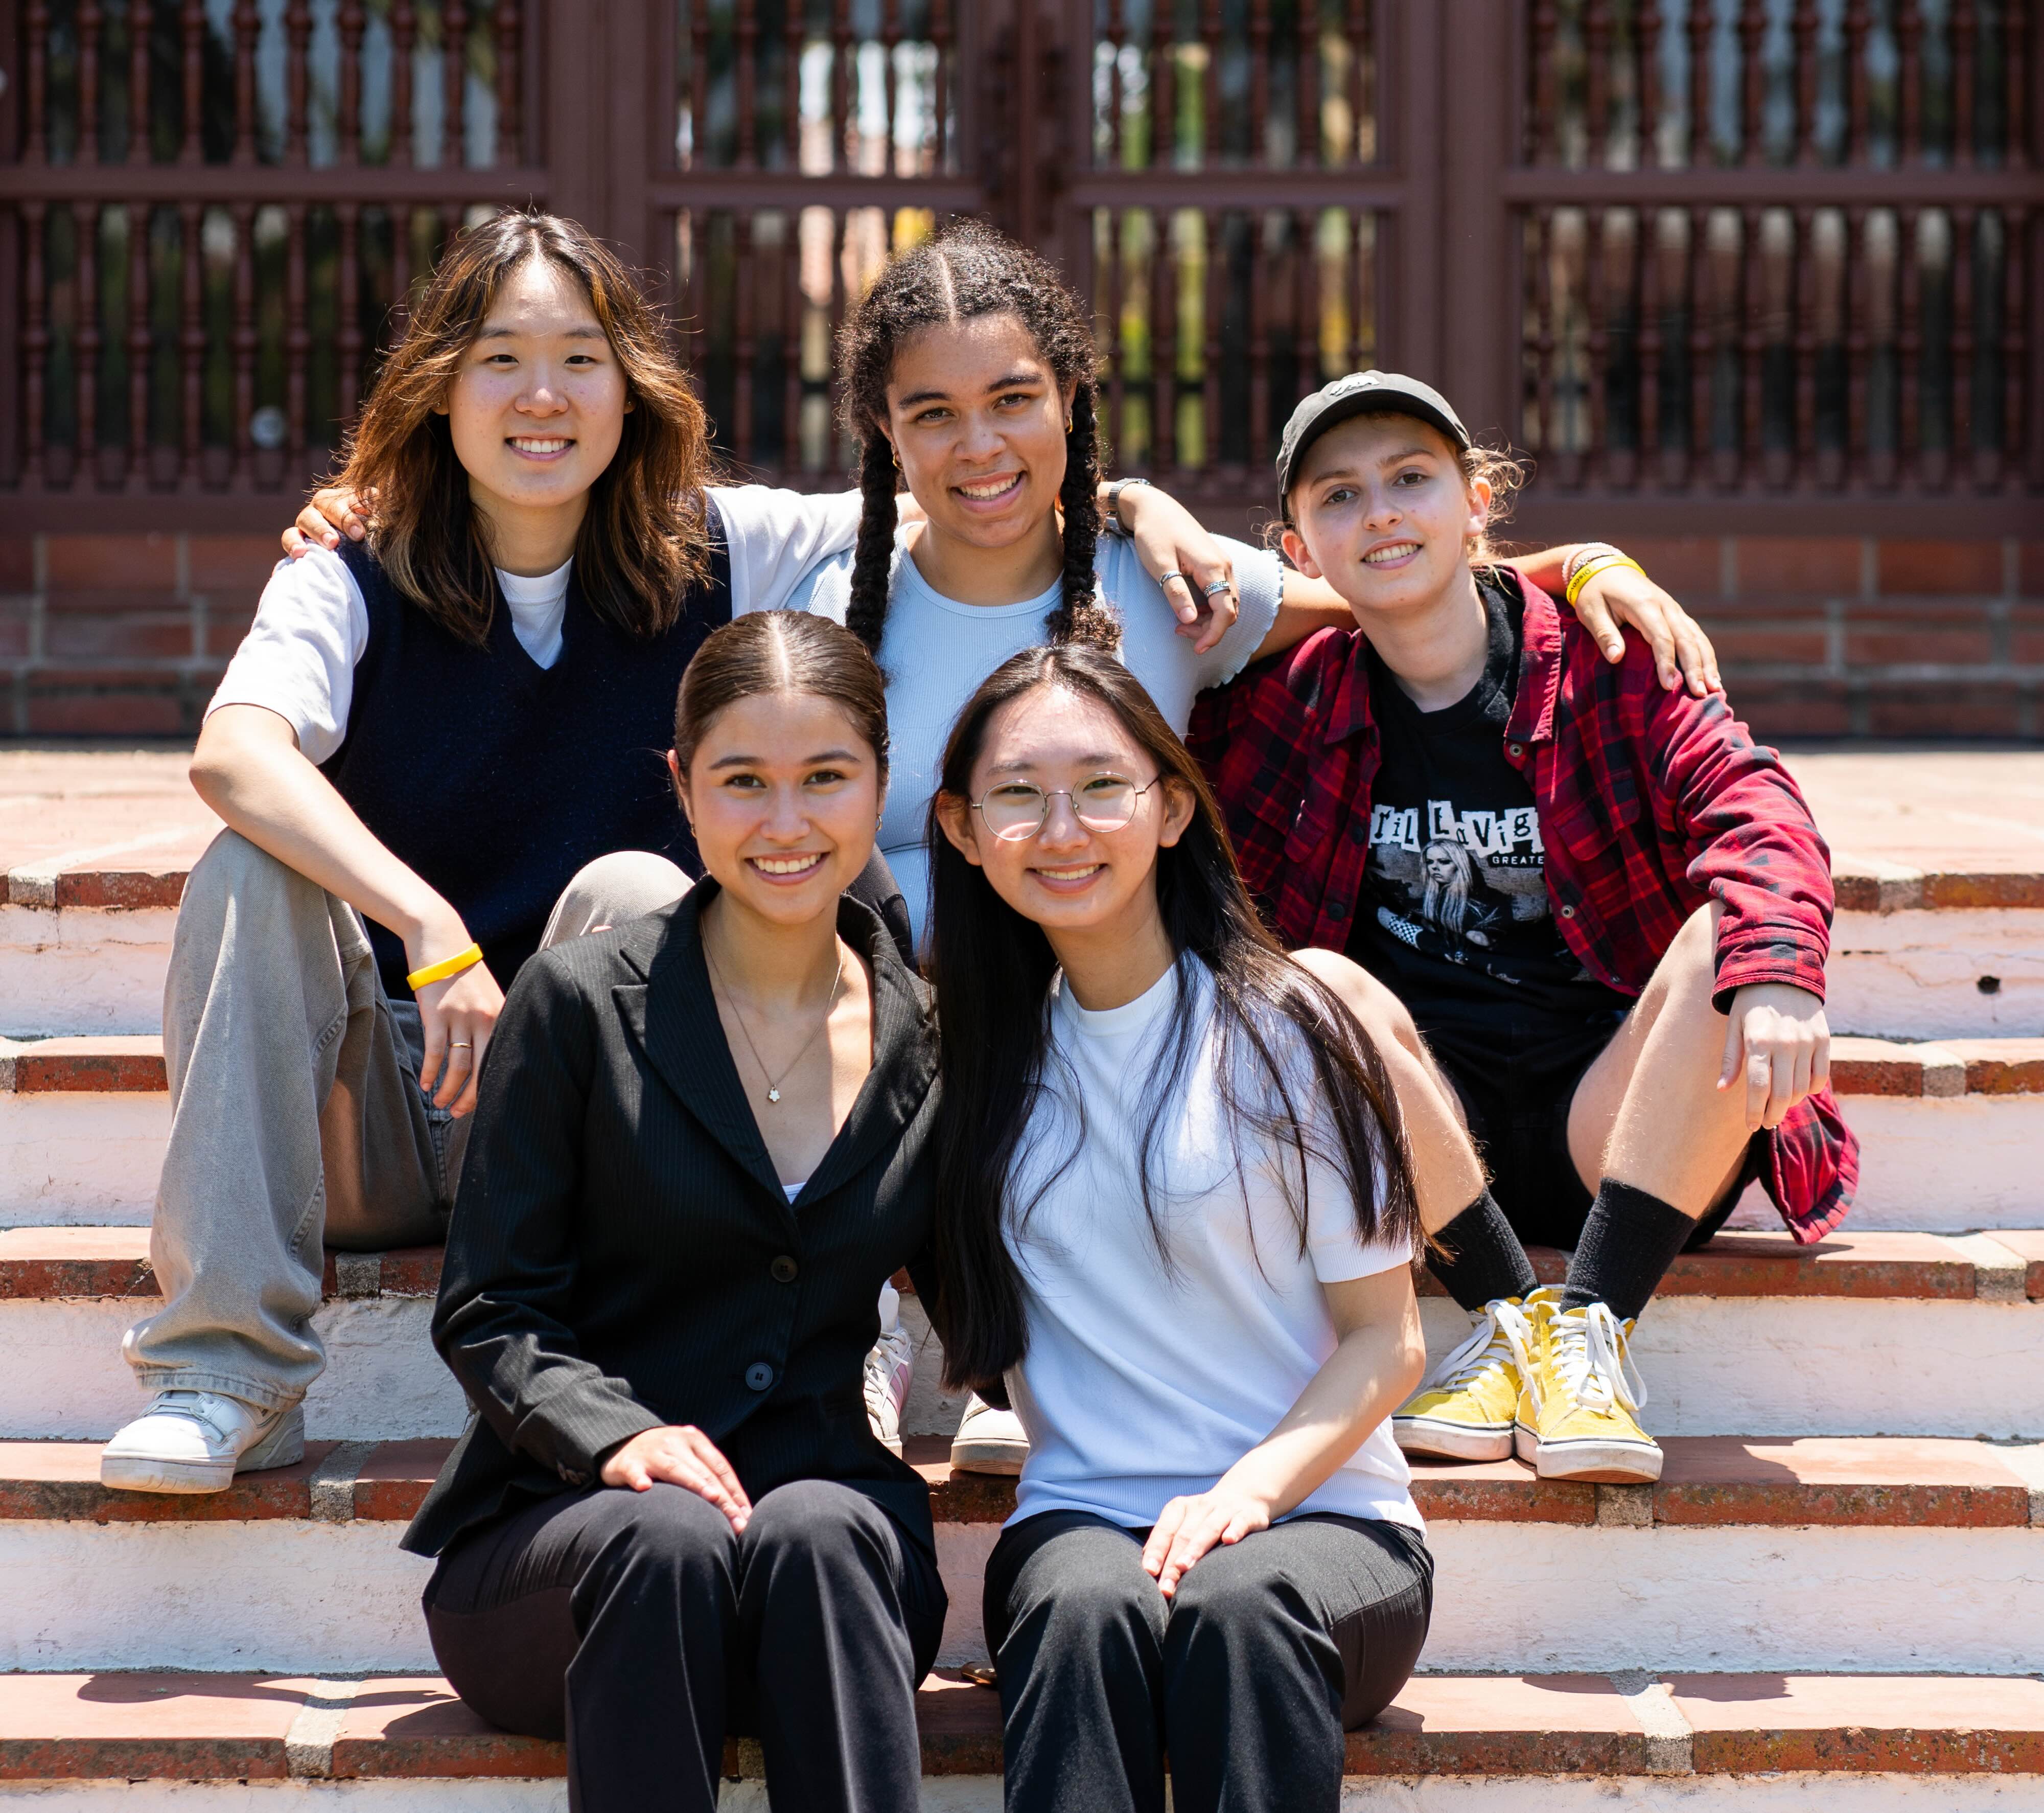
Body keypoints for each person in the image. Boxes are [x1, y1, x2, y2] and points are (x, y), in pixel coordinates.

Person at [283, 222, 1720, 1475]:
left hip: (1122, 1034)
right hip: (883, 1041)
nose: (981, 447)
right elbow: (575, 506)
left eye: (1017, 401)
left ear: (1072, 401)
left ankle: (1003, 1343)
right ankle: (864, 1325)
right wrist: (373, 510)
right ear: (886, 436)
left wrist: (1577, 563)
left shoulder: (1181, 592)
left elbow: (1389, 575)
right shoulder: (824, 581)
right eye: (936, 414)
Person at [96, 209, 919, 1492]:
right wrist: (430, 928)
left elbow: (968, 492)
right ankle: (227, 1372)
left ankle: (618, 1352)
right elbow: (234, 753)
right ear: (437, 390)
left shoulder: (719, 548)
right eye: (498, 359)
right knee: (248, 864)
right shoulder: (349, 571)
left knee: (640, 892)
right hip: (380, 1111)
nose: (543, 396)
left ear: (631, 386)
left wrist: (1140, 511)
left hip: (584, 1137)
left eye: (581, 357)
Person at [1189, 370, 1859, 1485]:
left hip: (1623, 1127)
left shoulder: (1607, 660)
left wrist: (1780, 972)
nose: (1382, 514)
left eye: (1411, 479)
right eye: (1339, 497)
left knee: (1719, 942)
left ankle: (1589, 1323)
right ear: (1298, 550)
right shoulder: (1288, 701)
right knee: (1306, 978)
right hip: (1422, 1144)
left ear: (1476, 501)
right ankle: (1506, 1315)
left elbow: (1753, 802)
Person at [406, 609, 944, 1813]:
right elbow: (490, 1305)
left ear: (880, 786)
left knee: (817, 1520)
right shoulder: (578, 1002)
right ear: (682, 788)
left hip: (827, 1579)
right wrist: (613, 1436)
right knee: (665, 1533)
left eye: (825, 779)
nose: (786, 822)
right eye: (742, 781)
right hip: (569, 1553)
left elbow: (997, 1293)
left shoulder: (936, 1038)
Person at [924, 640, 1461, 1813]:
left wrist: (1248, 1495)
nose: (1061, 828)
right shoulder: (962, 1065)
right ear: (962, 831)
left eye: (1100, 786)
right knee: (1079, 1603)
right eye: (1017, 794)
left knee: (1238, 1602)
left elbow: (1390, 1339)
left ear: (1169, 808)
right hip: (1084, 1524)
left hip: (1323, 1527)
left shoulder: (1289, 1024)